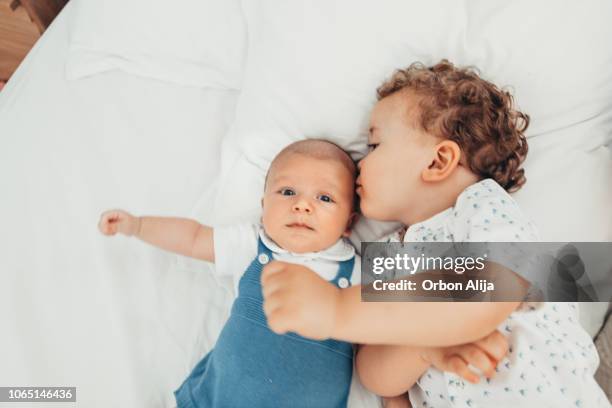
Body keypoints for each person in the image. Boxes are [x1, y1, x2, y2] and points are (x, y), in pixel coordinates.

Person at [260, 61, 609, 407]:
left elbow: (497, 285)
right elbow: (376, 376)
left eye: (375, 147)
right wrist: (422, 348)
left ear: (438, 161)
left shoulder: (482, 205)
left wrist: (338, 310)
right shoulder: (383, 254)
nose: (359, 165)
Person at [98, 138, 508, 408]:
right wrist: (138, 225)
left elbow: (386, 349)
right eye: (287, 192)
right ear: (263, 204)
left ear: (348, 223)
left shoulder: (365, 268)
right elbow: (192, 238)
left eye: (324, 197)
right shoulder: (253, 246)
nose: (302, 206)